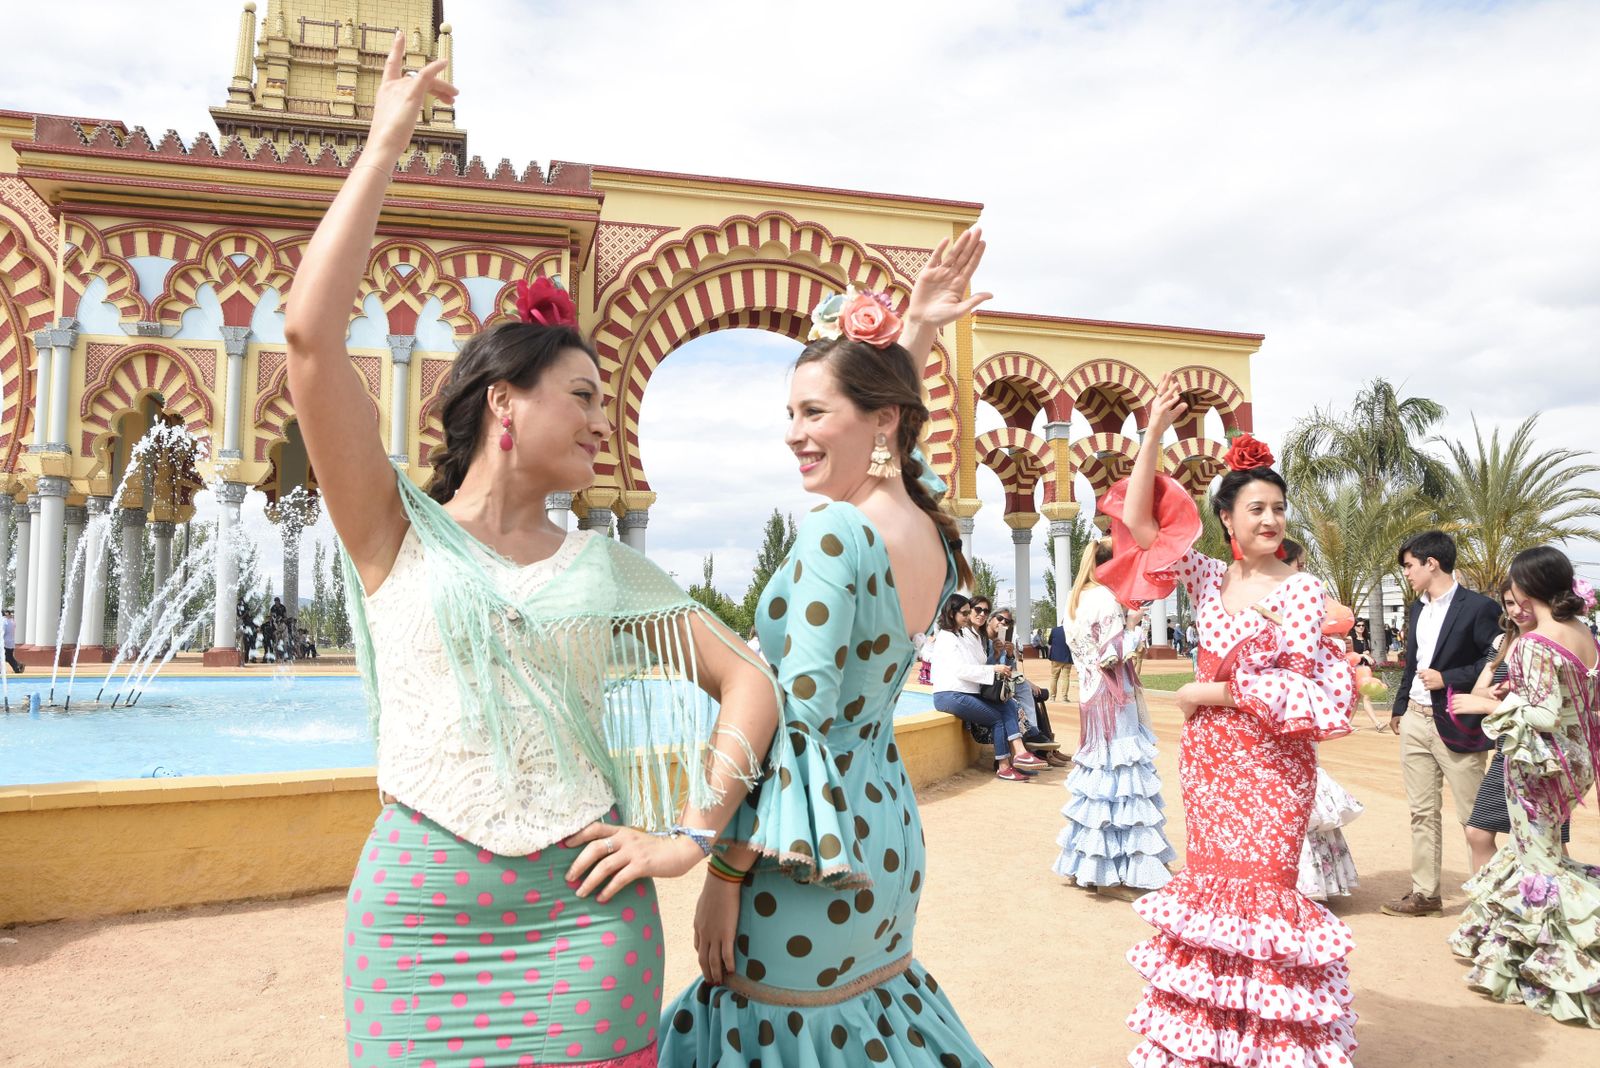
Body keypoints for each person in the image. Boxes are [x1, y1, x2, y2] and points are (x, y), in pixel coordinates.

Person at [285, 37, 780, 1068]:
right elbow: (308, 341)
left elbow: (749, 682)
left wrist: (688, 839)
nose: (605, 422)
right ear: (505, 400)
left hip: (583, 934)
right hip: (415, 933)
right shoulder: (389, 531)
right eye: (586, 397)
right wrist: (385, 145)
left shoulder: (605, 570)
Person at [659, 242, 994, 1063]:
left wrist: (724, 879)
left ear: (877, 418)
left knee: (780, 1032)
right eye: (790, 414)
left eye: (813, 413)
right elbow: (890, 430)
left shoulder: (837, 534)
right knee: (868, 1021)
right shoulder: (922, 522)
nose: (794, 435)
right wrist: (909, 332)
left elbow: (789, 727)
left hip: (808, 854)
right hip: (881, 830)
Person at [1107, 375, 1357, 1066]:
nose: (1271, 519)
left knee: (1267, 895)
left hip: (1273, 766)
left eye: (1278, 508)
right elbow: (1142, 529)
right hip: (1211, 766)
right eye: (1256, 508)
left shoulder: (1304, 591)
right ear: (1227, 518)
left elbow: (1303, 694)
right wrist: (1152, 434)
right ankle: (1212, 1045)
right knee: (1214, 901)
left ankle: (1269, 1046)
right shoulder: (1209, 579)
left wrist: (1207, 694)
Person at [1446, 547, 1600, 1026]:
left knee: (1542, 862)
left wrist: (1479, 704)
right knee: (1543, 852)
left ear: (1529, 588)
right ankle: (1532, 955)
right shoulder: (1583, 633)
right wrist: (1516, 692)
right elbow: (1570, 701)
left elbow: (1544, 715)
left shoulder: (1534, 641)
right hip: (1575, 761)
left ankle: (1561, 969)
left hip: (1538, 765)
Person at [1382, 530, 1502, 918]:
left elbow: (1495, 660)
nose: (1407, 574)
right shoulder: (1417, 608)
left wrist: (1448, 679)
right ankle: (1425, 895)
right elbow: (1413, 661)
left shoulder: (1479, 607)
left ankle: (1488, 905)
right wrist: (1399, 707)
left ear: (1431, 563)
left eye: (1409, 566)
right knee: (1421, 811)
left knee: (1473, 817)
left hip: (1457, 722)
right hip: (1415, 720)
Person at [1050, 537, 1175, 899]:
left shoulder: (1074, 602)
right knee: (1122, 776)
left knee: (1099, 775)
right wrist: (1135, 626)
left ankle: (1089, 864)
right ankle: (1127, 869)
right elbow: (1111, 655)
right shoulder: (1105, 599)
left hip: (1091, 695)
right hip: (1112, 695)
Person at [1457, 579, 1569, 872]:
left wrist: (1489, 702)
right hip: (1509, 748)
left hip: (1544, 753)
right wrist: (1496, 692)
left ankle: (1552, 909)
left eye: (1523, 601)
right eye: (1509, 603)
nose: (1517, 610)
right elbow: (1479, 689)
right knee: (1479, 833)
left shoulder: (1550, 641)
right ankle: (1498, 906)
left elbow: (1550, 710)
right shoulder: (1504, 642)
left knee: (1548, 841)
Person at [1279, 537, 1364, 902]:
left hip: (1290, 713)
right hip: (1290, 711)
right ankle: (1304, 882)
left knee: (1295, 793)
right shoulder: (1296, 606)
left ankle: (1302, 882)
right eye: (1301, 565)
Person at [928, 594, 1048, 781]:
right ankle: (1003, 766)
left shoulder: (967, 635)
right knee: (996, 719)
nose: (973, 615)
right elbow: (961, 670)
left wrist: (998, 654)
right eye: (967, 612)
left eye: (980, 611)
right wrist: (993, 668)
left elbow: (980, 664)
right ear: (952, 613)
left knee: (1008, 704)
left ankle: (1021, 753)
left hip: (968, 692)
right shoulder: (947, 637)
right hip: (951, 694)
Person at [988, 607, 1068, 765]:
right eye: (1000, 618)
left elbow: (1010, 668)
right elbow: (986, 666)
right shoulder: (984, 639)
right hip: (990, 685)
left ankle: (1046, 747)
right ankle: (1041, 748)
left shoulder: (1004, 639)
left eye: (1008, 621)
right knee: (1023, 694)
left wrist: (1010, 655)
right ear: (991, 619)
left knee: (1036, 693)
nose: (1003, 622)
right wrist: (996, 654)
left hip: (1005, 682)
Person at [1047, 620, 1075, 703]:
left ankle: (1052, 697)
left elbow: (1049, 642)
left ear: (1062, 622)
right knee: (1066, 677)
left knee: (1054, 677)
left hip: (1056, 657)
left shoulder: (1055, 630)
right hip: (1067, 657)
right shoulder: (1072, 631)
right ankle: (1064, 698)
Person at [3, 607, 22, 674]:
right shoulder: (13, 621)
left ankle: (18, 666)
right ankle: (17, 667)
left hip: (5, 642)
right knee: (8, 657)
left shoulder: (4, 622)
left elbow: (3, 632)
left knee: (6, 657)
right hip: (11, 642)